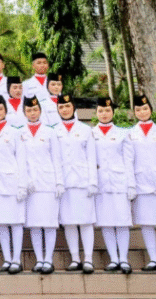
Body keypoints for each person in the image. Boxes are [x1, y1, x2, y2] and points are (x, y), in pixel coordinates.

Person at [129, 95, 156, 275]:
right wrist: (131, 184)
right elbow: (129, 161)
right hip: (141, 185)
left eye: (145, 109)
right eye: (138, 110)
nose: (142, 112)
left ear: (151, 110)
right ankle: (153, 258)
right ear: (134, 112)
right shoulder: (130, 134)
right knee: (145, 223)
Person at [55, 93, 97, 274]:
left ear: (73, 107)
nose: (65, 109)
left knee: (86, 222)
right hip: (64, 183)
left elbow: (91, 157)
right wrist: (57, 182)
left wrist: (93, 181)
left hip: (83, 181)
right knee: (69, 222)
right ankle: (75, 258)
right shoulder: (54, 131)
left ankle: (88, 258)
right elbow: (54, 159)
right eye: (61, 107)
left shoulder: (86, 130)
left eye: (67, 106)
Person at [22, 96, 63, 275]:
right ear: (24, 112)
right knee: (35, 224)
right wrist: (24, 179)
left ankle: (49, 259)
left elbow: (56, 157)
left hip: (48, 182)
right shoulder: (20, 132)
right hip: (30, 185)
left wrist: (59, 181)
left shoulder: (49, 131)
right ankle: (39, 259)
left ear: (40, 111)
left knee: (49, 223)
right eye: (29, 110)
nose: (32, 113)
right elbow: (20, 160)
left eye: (35, 109)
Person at [92, 97, 134, 274]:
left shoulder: (123, 133)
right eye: (101, 111)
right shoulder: (91, 133)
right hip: (101, 183)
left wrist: (131, 184)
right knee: (107, 222)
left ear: (113, 113)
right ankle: (113, 259)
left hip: (120, 182)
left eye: (107, 111)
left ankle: (123, 259)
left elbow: (129, 160)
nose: (104, 114)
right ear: (96, 113)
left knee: (122, 221)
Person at [0, 95, 26, 275]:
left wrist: (22, 185)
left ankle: (17, 260)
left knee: (16, 222)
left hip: (12, 182)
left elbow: (22, 159)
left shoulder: (15, 132)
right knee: (1, 223)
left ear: (5, 111)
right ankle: (7, 259)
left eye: (0, 109)